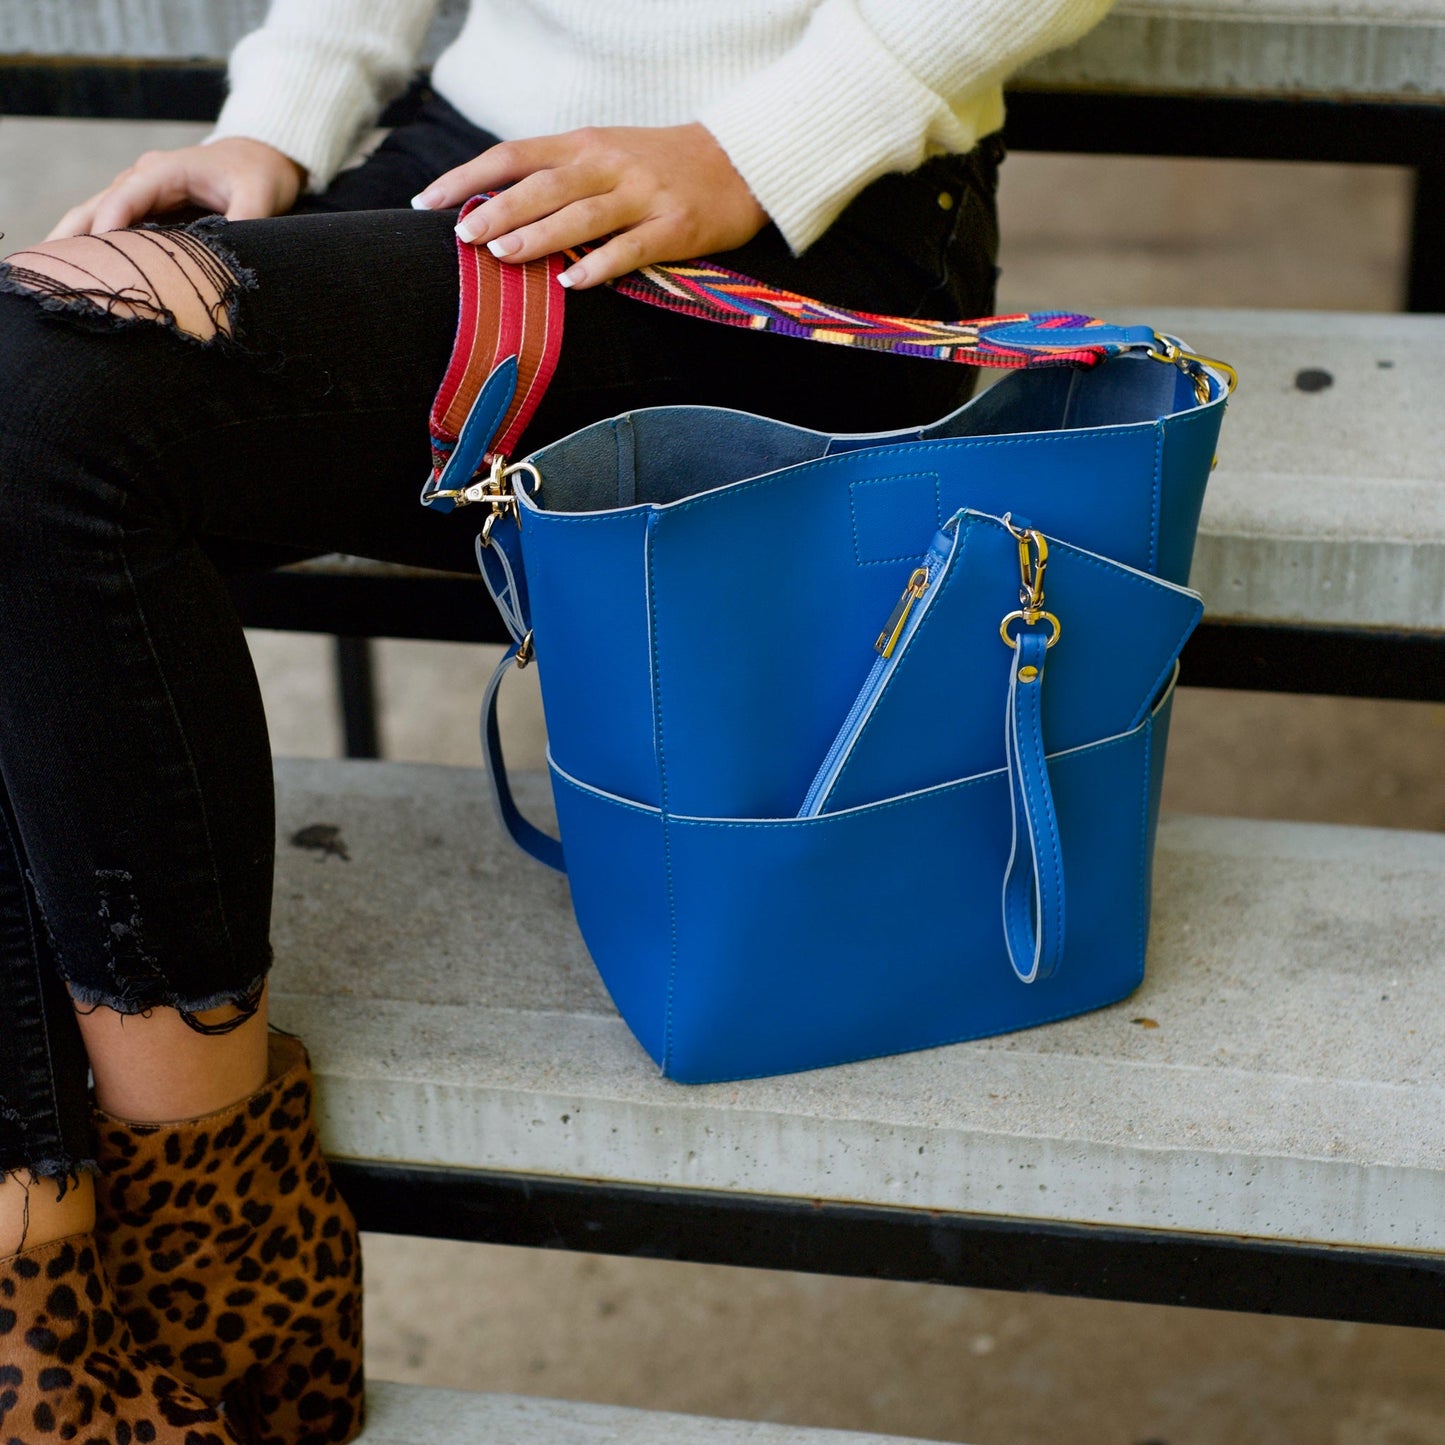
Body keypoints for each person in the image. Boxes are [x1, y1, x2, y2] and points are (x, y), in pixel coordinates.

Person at [0, 0, 1113, 1439]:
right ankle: (50, 1309)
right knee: (35, 409)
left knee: (44, 400)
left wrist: (756, 147)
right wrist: (282, 112)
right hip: (467, 171)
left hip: (790, 215)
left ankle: (221, 1292)